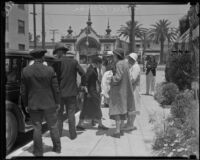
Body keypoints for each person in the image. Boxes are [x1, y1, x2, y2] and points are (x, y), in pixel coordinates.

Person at [21, 49, 61, 156]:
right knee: (53, 126)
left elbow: (23, 91)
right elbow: (55, 88)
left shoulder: (25, 71)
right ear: (43, 57)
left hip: (33, 104)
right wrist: (57, 102)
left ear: (33, 58)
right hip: (49, 103)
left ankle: (38, 151)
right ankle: (57, 148)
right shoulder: (50, 70)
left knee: (37, 128)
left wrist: (25, 104)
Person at [52, 43, 87, 139]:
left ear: (59, 52)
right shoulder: (74, 62)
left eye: (56, 53)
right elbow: (84, 74)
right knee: (71, 114)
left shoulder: (56, 62)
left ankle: (59, 134)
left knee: (59, 115)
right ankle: (73, 135)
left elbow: (51, 77)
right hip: (72, 93)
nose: (56, 55)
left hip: (59, 94)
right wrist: (81, 86)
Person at [77, 56, 109, 130]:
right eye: (100, 64)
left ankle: (79, 124)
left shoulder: (93, 68)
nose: (101, 65)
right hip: (91, 92)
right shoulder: (91, 70)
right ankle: (100, 124)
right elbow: (85, 80)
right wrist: (87, 92)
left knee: (86, 108)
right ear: (97, 63)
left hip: (92, 91)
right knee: (97, 107)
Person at [109, 48, 135, 138]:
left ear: (117, 55)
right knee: (123, 110)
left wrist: (111, 78)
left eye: (114, 55)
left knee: (117, 110)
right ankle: (121, 129)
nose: (113, 57)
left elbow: (118, 77)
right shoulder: (126, 62)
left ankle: (117, 131)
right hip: (124, 90)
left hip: (118, 91)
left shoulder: (119, 63)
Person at [123, 53, 141, 131]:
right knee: (130, 107)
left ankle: (131, 124)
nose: (129, 59)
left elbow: (132, 79)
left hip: (134, 90)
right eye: (129, 58)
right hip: (131, 89)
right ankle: (128, 123)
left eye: (130, 58)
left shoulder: (136, 67)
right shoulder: (132, 66)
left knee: (133, 107)